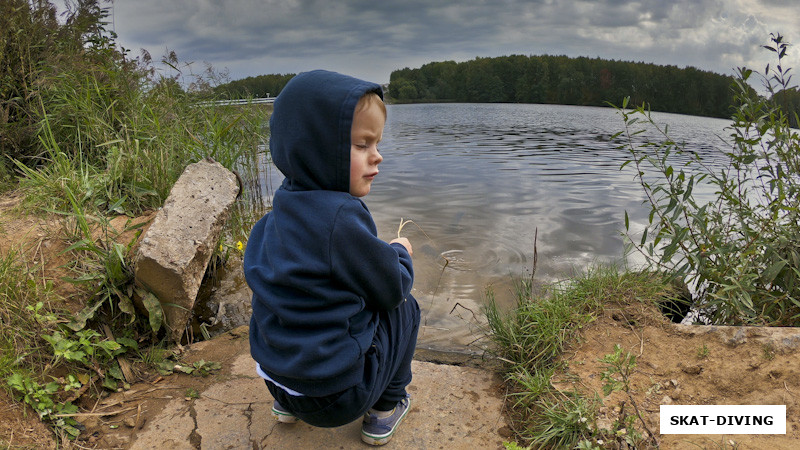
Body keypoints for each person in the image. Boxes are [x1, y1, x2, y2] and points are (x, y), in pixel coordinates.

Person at [243, 70, 420, 446]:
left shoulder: (274, 216)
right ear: (319, 148)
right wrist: (400, 253)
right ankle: (383, 411)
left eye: (376, 143)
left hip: (277, 382)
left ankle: (288, 406)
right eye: (362, 145)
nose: (378, 156)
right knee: (406, 308)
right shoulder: (340, 217)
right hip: (338, 399)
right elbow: (390, 288)